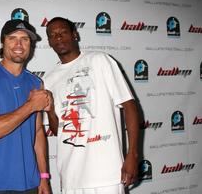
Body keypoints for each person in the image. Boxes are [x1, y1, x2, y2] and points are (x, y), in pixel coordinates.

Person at [44, 17, 139, 194]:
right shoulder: (48, 80)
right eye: (53, 35)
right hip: (71, 177)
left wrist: (132, 154)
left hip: (107, 175)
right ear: (49, 41)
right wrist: (50, 111)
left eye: (63, 32)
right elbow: (58, 131)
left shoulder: (100, 60)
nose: (58, 37)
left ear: (75, 35)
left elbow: (129, 105)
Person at [0, 19, 51, 194]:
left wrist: (43, 176)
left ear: (31, 44)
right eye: (12, 38)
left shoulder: (36, 82)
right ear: (2, 42)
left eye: (25, 39)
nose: (19, 44)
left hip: (29, 183)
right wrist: (30, 106)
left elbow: (37, 133)